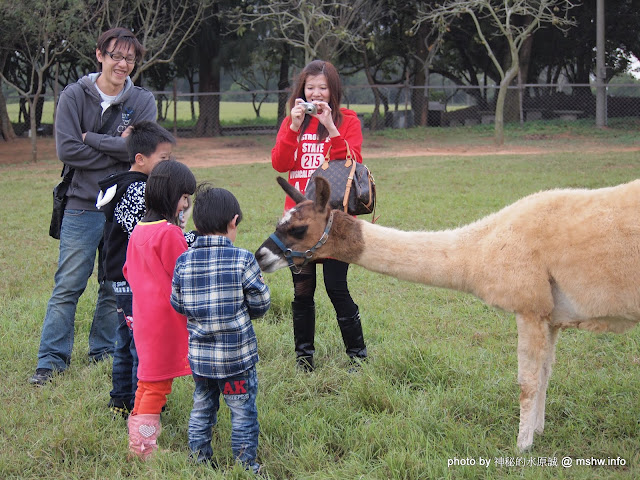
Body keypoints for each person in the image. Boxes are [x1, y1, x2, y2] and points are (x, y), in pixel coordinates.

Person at [29, 27, 157, 386]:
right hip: (81, 204)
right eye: (115, 55)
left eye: (130, 58)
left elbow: (143, 149)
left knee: (113, 284)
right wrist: (117, 148)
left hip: (126, 206)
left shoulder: (143, 100)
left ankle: (103, 351)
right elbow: (67, 150)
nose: (122, 64)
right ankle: (50, 362)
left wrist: (92, 140)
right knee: (69, 284)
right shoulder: (74, 95)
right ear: (99, 54)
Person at [271, 60, 368, 372]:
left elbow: (352, 159)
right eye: (310, 88)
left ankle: (358, 358)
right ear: (302, 91)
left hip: (335, 221)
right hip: (300, 222)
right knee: (302, 291)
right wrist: (293, 126)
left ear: (333, 90)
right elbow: (279, 162)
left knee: (337, 287)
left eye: (322, 88)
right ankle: (304, 360)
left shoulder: (348, 121)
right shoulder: (293, 123)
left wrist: (330, 126)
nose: (316, 94)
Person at [171, 185, 271, 474]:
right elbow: (261, 303)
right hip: (237, 360)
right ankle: (245, 465)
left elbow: (177, 303)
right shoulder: (243, 260)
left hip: (201, 362)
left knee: (202, 409)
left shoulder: (183, 262)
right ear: (234, 221)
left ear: (196, 224)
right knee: (242, 412)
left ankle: (198, 460)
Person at [96, 121, 176, 418]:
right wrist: (191, 236)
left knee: (127, 339)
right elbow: (147, 234)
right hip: (133, 282)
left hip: (122, 278)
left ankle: (122, 400)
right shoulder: (137, 190)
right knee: (139, 344)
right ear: (140, 159)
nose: (169, 164)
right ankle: (141, 405)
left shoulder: (123, 184)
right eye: (164, 159)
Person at [122, 159, 196, 459]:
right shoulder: (169, 234)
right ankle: (143, 449)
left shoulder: (140, 229)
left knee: (147, 383)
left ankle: (136, 440)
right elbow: (184, 274)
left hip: (143, 321)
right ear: (170, 195)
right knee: (156, 387)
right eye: (184, 197)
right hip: (164, 325)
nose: (186, 204)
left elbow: (128, 270)